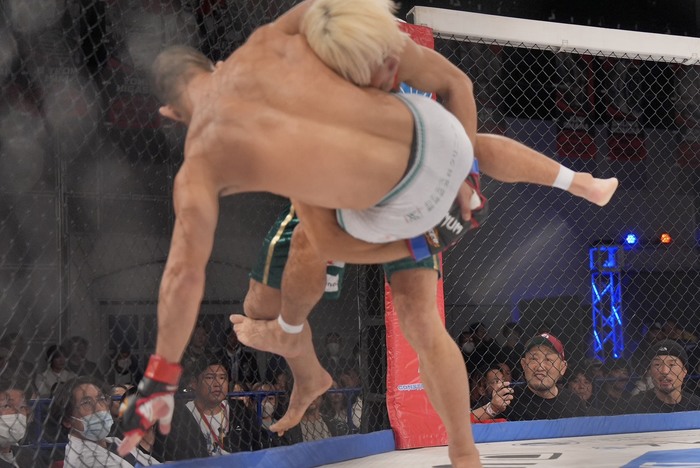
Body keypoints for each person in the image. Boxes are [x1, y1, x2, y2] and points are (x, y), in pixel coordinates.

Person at [119, 1, 618, 466]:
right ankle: (326, 380)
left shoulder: (232, 141)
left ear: (172, 111)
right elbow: (454, 84)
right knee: (322, 297)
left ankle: (305, 351)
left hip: (404, 187)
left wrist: (161, 376)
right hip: (413, 173)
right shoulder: (284, 55)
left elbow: (187, 274)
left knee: (317, 266)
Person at [50, 376, 159, 467]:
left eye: (101, 398)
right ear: (67, 420)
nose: (99, 408)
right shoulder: (84, 458)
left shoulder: (114, 441)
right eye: (86, 403)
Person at [502, 334, 587, 421]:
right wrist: (493, 410)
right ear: (524, 364)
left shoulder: (574, 402)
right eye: (534, 359)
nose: (540, 367)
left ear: (562, 367)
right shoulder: (506, 398)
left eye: (548, 360)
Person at [623, 340, 700, 414]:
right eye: (657, 365)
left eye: (672, 365)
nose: (664, 371)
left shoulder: (696, 405)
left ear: (684, 371)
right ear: (650, 371)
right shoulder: (634, 406)